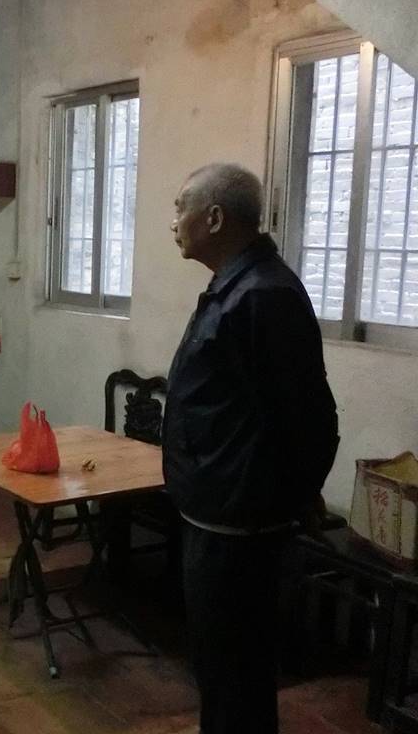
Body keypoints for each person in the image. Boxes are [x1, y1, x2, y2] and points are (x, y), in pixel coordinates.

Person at [163, 163, 339, 734]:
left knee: (237, 670)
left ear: (214, 218)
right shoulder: (235, 286)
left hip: (240, 523)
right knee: (219, 667)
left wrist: (295, 495)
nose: (174, 221)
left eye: (181, 207)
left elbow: (307, 415)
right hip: (217, 511)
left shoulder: (265, 295)